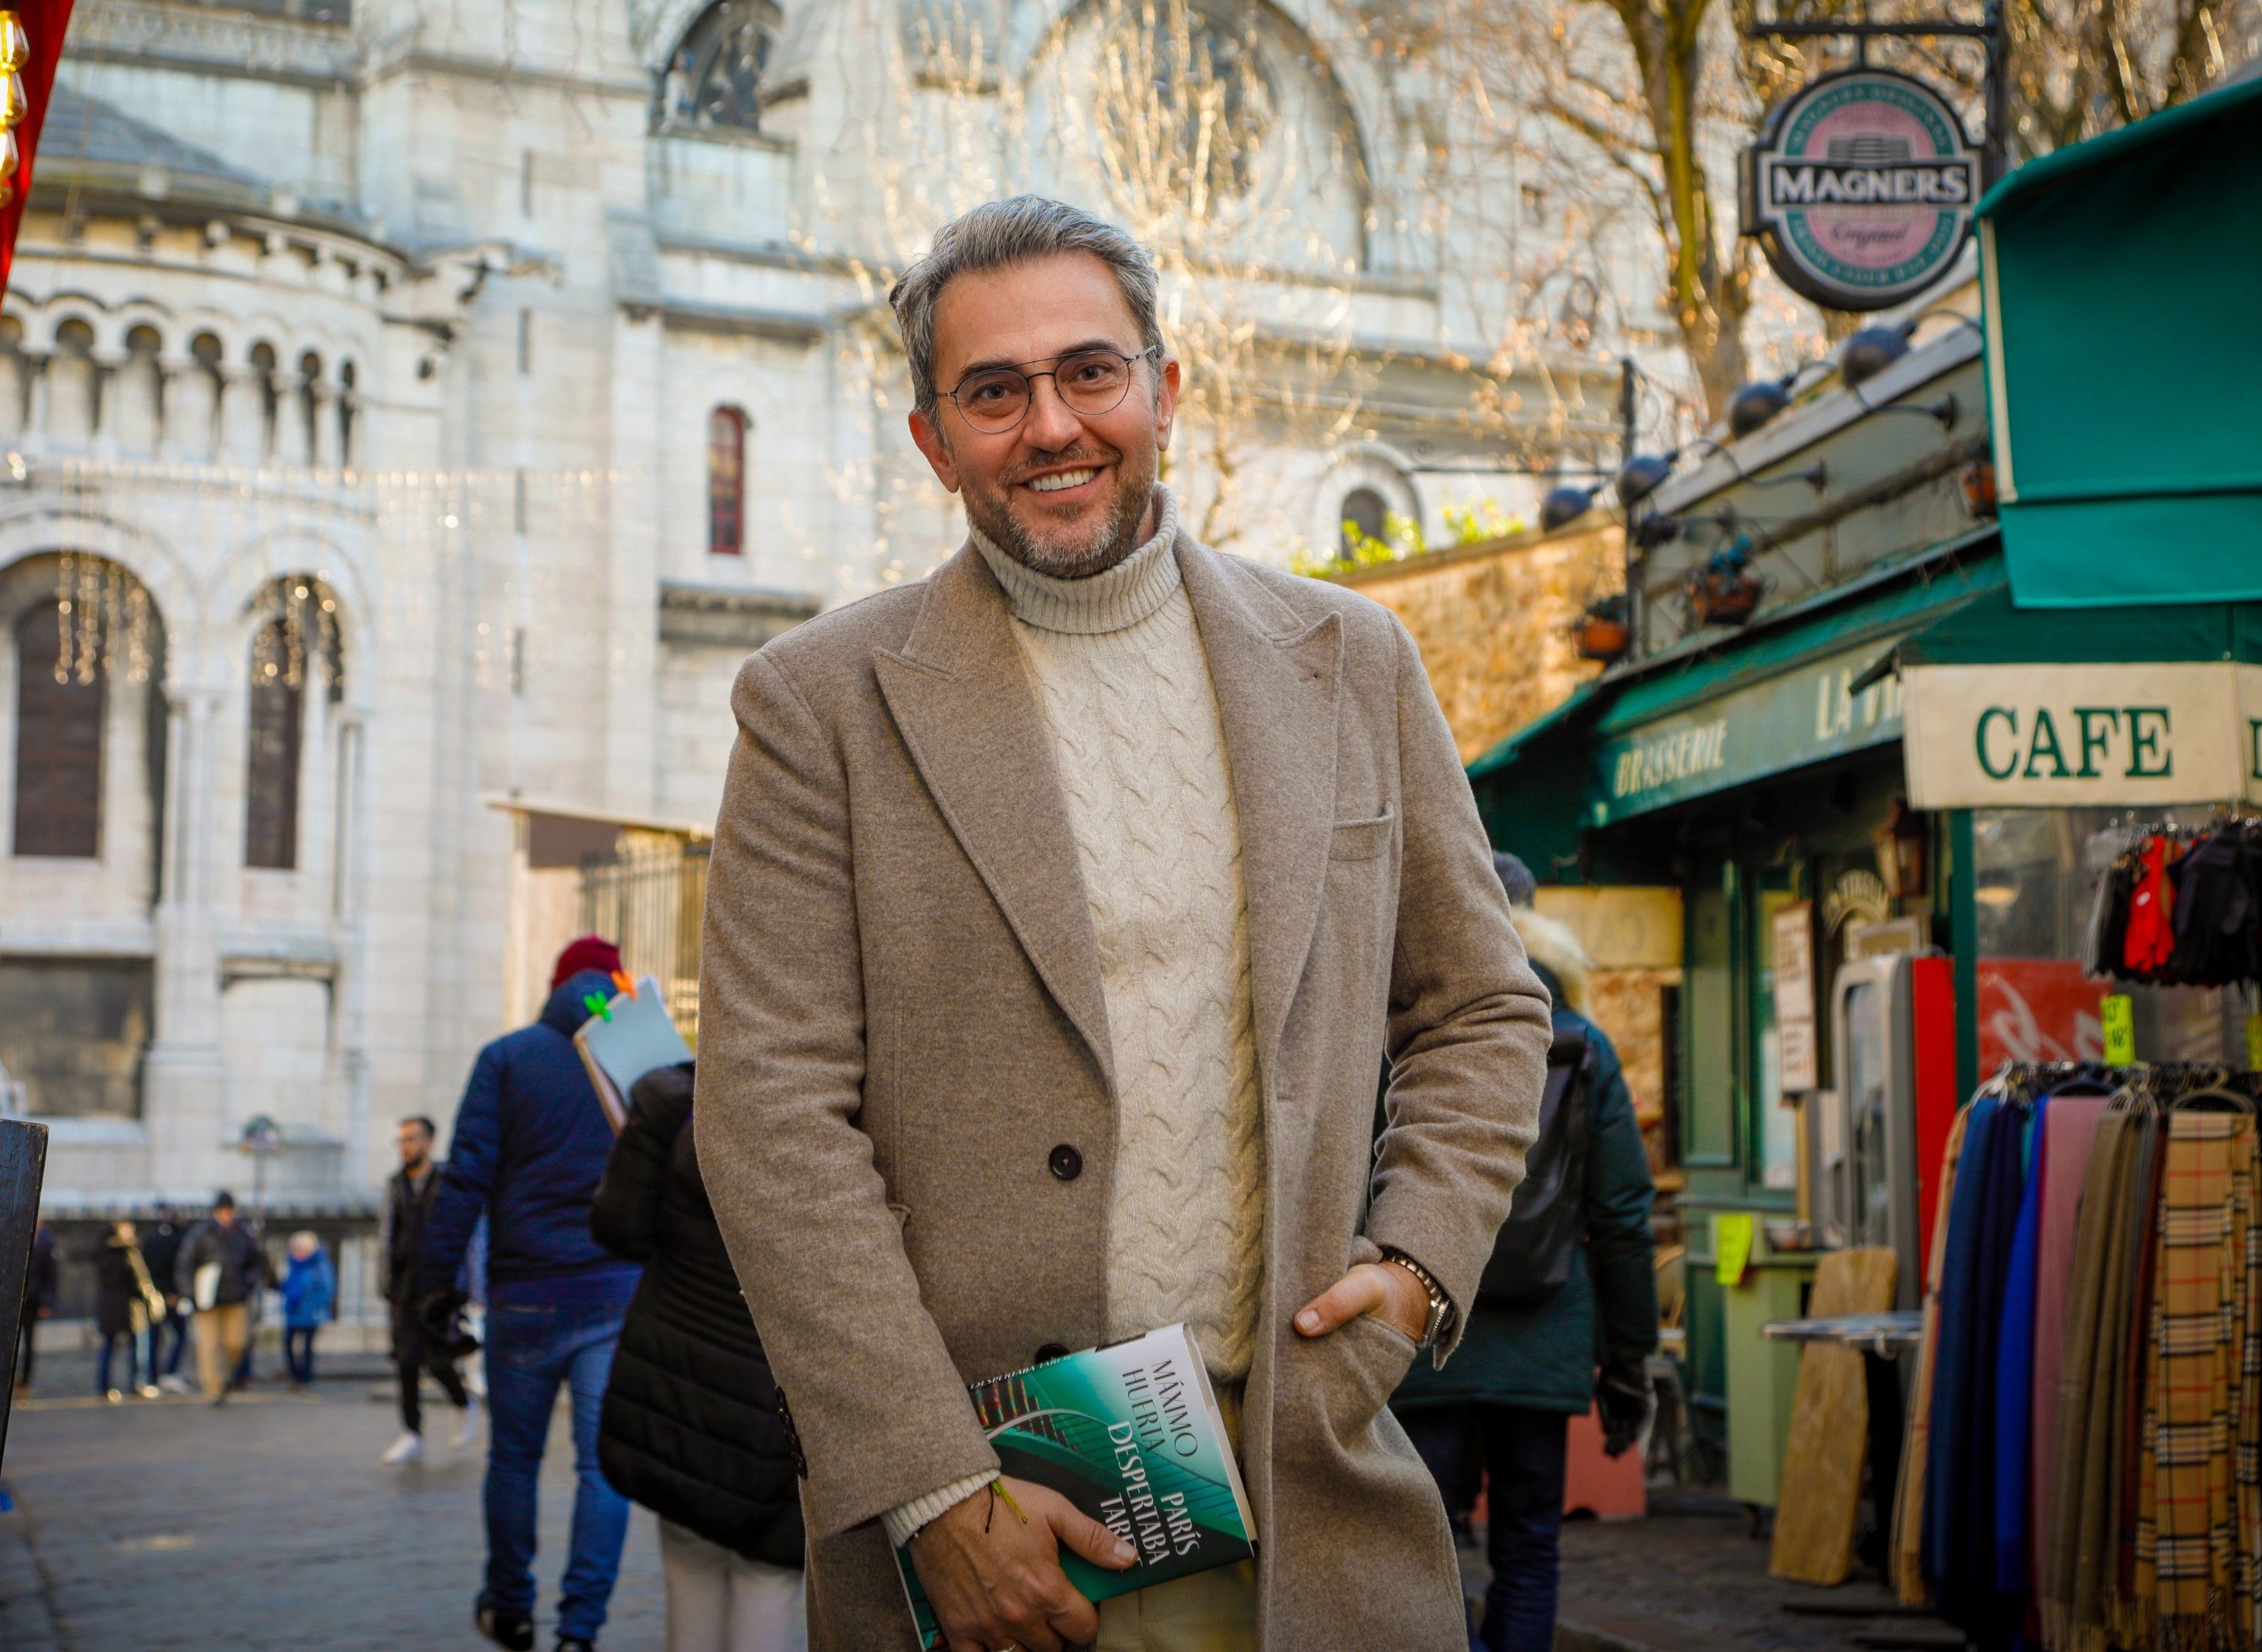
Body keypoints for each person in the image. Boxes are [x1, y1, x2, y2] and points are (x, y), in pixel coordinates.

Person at [692, 195, 1550, 1652]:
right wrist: (932, 1490)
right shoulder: (817, 703)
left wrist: (1413, 1272)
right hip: (994, 1526)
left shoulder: (1353, 661)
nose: (1052, 426)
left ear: (1165, 387)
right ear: (931, 438)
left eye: (1091, 372)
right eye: (993, 391)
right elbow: (771, 1112)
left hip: (1304, 1472)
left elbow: (1481, 1004)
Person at [1389, 876, 1659, 1652]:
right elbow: (1619, 1217)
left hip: (1422, 1327)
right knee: (1530, 1547)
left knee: (1418, 1551)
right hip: (1547, 1334)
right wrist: (1629, 1359)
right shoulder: (1583, 1042)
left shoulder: (1400, 1032)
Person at [418, 937, 646, 1652]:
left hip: (524, 1297)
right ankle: (580, 1631)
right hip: (614, 1294)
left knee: (513, 1459)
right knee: (600, 1467)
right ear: (614, 989)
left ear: (551, 988)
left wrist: (433, 1284)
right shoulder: (634, 1059)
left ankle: (511, 1605)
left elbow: (465, 1181)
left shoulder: (507, 1058)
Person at [591, 1060, 804, 1652]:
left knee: (689, 1569)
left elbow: (618, 1229)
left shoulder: (676, 1099)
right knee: (768, 1580)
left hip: (676, 1387)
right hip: (778, 1411)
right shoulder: (837, 1110)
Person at [383, 1113, 476, 1464]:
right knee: (406, 1362)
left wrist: (469, 1286)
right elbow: (386, 1234)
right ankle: (412, 1432)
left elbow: (466, 1234)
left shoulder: (448, 1182)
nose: (405, 1146)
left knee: (438, 1360)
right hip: (404, 1288)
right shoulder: (396, 1185)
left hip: (441, 1289)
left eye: (411, 1139)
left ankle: (463, 1402)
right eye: (401, 1140)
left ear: (428, 1142)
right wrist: (386, 1283)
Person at [175, 1191, 267, 1406]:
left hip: (236, 1297)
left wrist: (248, 1283)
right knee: (208, 1346)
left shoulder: (242, 1234)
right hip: (206, 1299)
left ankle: (225, 1377)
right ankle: (213, 1390)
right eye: (222, 1211)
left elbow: (257, 1262)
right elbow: (185, 1264)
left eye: (229, 1211)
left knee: (237, 1342)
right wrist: (190, 1293)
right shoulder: (200, 1233)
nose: (226, 1215)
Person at [92, 1219, 165, 1403]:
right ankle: (137, 1383)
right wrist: (149, 1297)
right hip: (131, 1307)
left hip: (109, 1307)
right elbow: (138, 1280)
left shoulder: (102, 1251)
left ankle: (104, 1386)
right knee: (138, 1346)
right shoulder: (128, 1252)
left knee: (108, 1348)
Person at [140, 1208, 193, 1393]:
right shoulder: (177, 1241)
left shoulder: (150, 1238)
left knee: (154, 1338)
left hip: (152, 1295)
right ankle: (168, 1373)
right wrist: (174, 1293)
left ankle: (153, 1377)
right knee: (181, 1334)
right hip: (169, 1296)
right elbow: (176, 1268)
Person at [280, 1231, 336, 1389]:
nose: (298, 1252)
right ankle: (295, 1374)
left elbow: (327, 1290)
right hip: (294, 1311)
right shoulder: (293, 1265)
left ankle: (305, 1377)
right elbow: (289, 1286)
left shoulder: (320, 1266)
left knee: (307, 1347)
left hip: (311, 1313)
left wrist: (313, 1307)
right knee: (288, 1344)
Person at [19, 1222, 58, 1399]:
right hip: (13, 1299)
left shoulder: (46, 1243)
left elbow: (51, 1276)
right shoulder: (18, 1235)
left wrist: (47, 1303)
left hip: (33, 1300)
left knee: (30, 1343)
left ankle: (26, 1381)